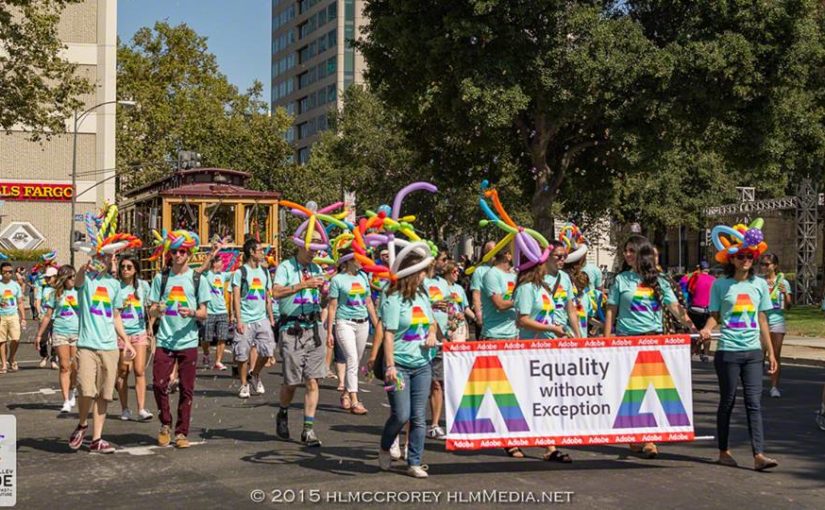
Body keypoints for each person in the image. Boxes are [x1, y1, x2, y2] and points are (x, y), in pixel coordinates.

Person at [604, 234, 695, 459]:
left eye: (632, 251)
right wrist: (606, 340)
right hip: (626, 341)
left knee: (651, 390)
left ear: (642, 253)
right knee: (630, 391)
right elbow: (611, 311)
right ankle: (635, 436)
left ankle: (650, 438)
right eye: (626, 251)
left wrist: (693, 327)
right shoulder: (620, 280)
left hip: (653, 340)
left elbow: (674, 307)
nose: (627, 254)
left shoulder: (660, 280)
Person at [700, 220, 778, 471]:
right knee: (728, 401)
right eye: (741, 256)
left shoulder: (759, 285)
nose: (746, 260)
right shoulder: (721, 285)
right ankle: (724, 450)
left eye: (749, 256)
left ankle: (759, 455)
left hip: (753, 352)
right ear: (731, 259)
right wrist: (707, 329)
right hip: (729, 352)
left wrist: (771, 353)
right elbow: (715, 315)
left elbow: (763, 319)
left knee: (754, 403)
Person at [148, 231, 212, 448]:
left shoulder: (197, 279)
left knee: (186, 389)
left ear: (189, 253)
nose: (177, 255)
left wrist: (192, 313)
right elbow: (151, 311)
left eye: (181, 251)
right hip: (165, 340)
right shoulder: (161, 278)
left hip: (188, 341)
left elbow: (205, 312)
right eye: (174, 251)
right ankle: (165, 423)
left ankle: (181, 432)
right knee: (158, 384)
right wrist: (158, 309)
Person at [377, 246, 437, 478]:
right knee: (401, 414)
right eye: (422, 271)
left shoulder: (423, 295)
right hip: (398, 365)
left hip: (422, 364)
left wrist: (432, 333)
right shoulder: (393, 298)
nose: (425, 275)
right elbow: (389, 334)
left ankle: (414, 462)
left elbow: (431, 321)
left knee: (418, 416)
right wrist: (390, 365)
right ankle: (385, 446)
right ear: (413, 272)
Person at [512, 244, 574, 463]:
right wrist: (551, 329)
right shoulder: (526, 288)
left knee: (547, 398)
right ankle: (514, 438)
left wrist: (568, 333)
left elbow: (557, 314)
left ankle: (550, 446)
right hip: (531, 349)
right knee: (529, 396)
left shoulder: (545, 288)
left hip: (550, 349)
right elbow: (523, 320)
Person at [68, 253, 134, 453]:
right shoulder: (86, 280)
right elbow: (77, 282)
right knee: (86, 389)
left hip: (109, 347)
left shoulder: (114, 285)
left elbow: (116, 317)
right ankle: (82, 424)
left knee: (105, 394)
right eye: (100, 257)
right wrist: (82, 269)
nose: (103, 261)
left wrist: (127, 342)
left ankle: (97, 439)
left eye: (107, 258)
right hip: (87, 345)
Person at [272, 232, 327, 447]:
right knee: (292, 382)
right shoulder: (286, 267)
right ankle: (283, 412)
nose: (315, 252)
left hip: (313, 327)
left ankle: (308, 429)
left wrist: (323, 293)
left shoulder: (317, 269)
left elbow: (320, 300)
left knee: (313, 380)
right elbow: (275, 293)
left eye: (317, 248)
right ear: (301, 246)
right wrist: (301, 286)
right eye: (311, 247)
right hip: (292, 328)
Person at [326, 251, 379, 415]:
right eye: (359, 258)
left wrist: (377, 326)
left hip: (362, 323)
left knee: (355, 360)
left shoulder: (363, 277)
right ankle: (356, 401)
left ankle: (346, 394)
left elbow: (369, 302)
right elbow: (332, 307)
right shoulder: (337, 280)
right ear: (349, 261)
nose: (363, 261)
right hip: (344, 323)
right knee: (352, 358)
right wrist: (329, 331)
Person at [232, 239, 277, 398]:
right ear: (251, 252)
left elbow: (268, 297)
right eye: (260, 250)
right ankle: (244, 384)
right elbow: (236, 298)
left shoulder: (265, 272)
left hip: (261, 318)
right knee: (242, 353)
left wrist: (271, 317)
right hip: (245, 318)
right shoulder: (240, 273)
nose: (263, 253)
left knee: (268, 349)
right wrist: (239, 320)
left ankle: (255, 374)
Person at [34, 265, 79, 413]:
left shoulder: (80, 291)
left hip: (78, 332)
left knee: (75, 367)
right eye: (71, 277)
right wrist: (40, 335)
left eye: (74, 276)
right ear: (64, 278)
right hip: (60, 332)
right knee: (65, 366)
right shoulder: (55, 294)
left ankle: (73, 389)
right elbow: (48, 316)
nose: (74, 279)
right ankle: (66, 400)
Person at [115, 255, 153, 422]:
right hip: (122, 334)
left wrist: (151, 324)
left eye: (129, 267)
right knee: (123, 371)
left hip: (139, 333)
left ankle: (141, 408)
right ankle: (125, 408)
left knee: (139, 370)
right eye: (123, 266)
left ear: (135, 269)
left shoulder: (143, 286)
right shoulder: (116, 286)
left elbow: (149, 307)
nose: (125, 270)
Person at [423, 254, 450, 440]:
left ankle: (434, 424)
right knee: (426, 382)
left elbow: (450, 306)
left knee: (437, 382)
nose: (445, 263)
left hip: (441, 336)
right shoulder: (421, 281)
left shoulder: (443, 283)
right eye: (443, 259)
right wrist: (432, 304)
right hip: (423, 336)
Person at [756, 253, 791, 398]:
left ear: (774, 266)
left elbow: (788, 306)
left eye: (767, 264)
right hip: (760, 321)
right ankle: (756, 386)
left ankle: (774, 386)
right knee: (759, 356)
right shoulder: (758, 281)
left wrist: (785, 294)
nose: (763, 267)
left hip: (777, 321)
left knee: (775, 355)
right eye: (762, 264)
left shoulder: (783, 282)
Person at [544, 240, 582, 339]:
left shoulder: (565, 277)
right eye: (559, 256)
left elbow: (570, 310)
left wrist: (578, 335)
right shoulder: (537, 277)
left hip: (561, 333)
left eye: (565, 256)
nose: (562, 259)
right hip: (542, 334)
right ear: (547, 256)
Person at [202, 253, 232, 371]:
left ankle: (218, 361)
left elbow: (236, 274)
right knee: (206, 338)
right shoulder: (207, 274)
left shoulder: (223, 275)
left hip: (222, 310)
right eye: (220, 261)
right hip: (209, 311)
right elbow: (203, 267)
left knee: (222, 337)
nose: (222, 263)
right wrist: (214, 252)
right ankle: (206, 354)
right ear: (214, 263)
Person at [479, 250, 517, 341]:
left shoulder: (513, 275)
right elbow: (500, 305)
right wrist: (521, 301)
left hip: (514, 333)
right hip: (495, 335)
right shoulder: (492, 274)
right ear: (507, 255)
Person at [0, 261, 26, 373]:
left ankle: (12, 357)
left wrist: (23, 317)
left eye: (10, 272)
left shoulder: (15, 285)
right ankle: (4, 363)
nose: (8, 274)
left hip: (13, 315)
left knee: (16, 339)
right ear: (1, 272)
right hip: (1, 316)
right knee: (2, 341)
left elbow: (20, 302)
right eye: (5, 272)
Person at [688, 261, 716, 361]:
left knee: (695, 331)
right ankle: (706, 353)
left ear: (699, 268)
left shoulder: (694, 278)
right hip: (707, 309)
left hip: (694, 308)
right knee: (707, 331)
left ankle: (695, 351)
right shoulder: (714, 280)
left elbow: (690, 291)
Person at [469, 241, 496, 339]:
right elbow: (476, 294)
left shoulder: (505, 270)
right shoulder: (479, 271)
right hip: (486, 318)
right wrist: (478, 315)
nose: (493, 254)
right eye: (489, 251)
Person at [443, 261, 475, 342]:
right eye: (454, 271)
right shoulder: (440, 287)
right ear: (447, 273)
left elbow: (465, 308)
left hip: (458, 325)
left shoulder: (459, 288)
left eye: (458, 271)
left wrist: (476, 318)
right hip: (444, 325)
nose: (457, 273)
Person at [36, 266, 59, 369]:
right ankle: (44, 356)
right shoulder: (44, 287)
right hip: (45, 316)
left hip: (56, 317)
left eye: (49, 277)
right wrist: (38, 312)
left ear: (55, 277)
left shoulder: (60, 289)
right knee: (43, 338)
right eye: (46, 278)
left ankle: (54, 359)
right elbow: (38, 300)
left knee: (55, 339)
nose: (47, 279)